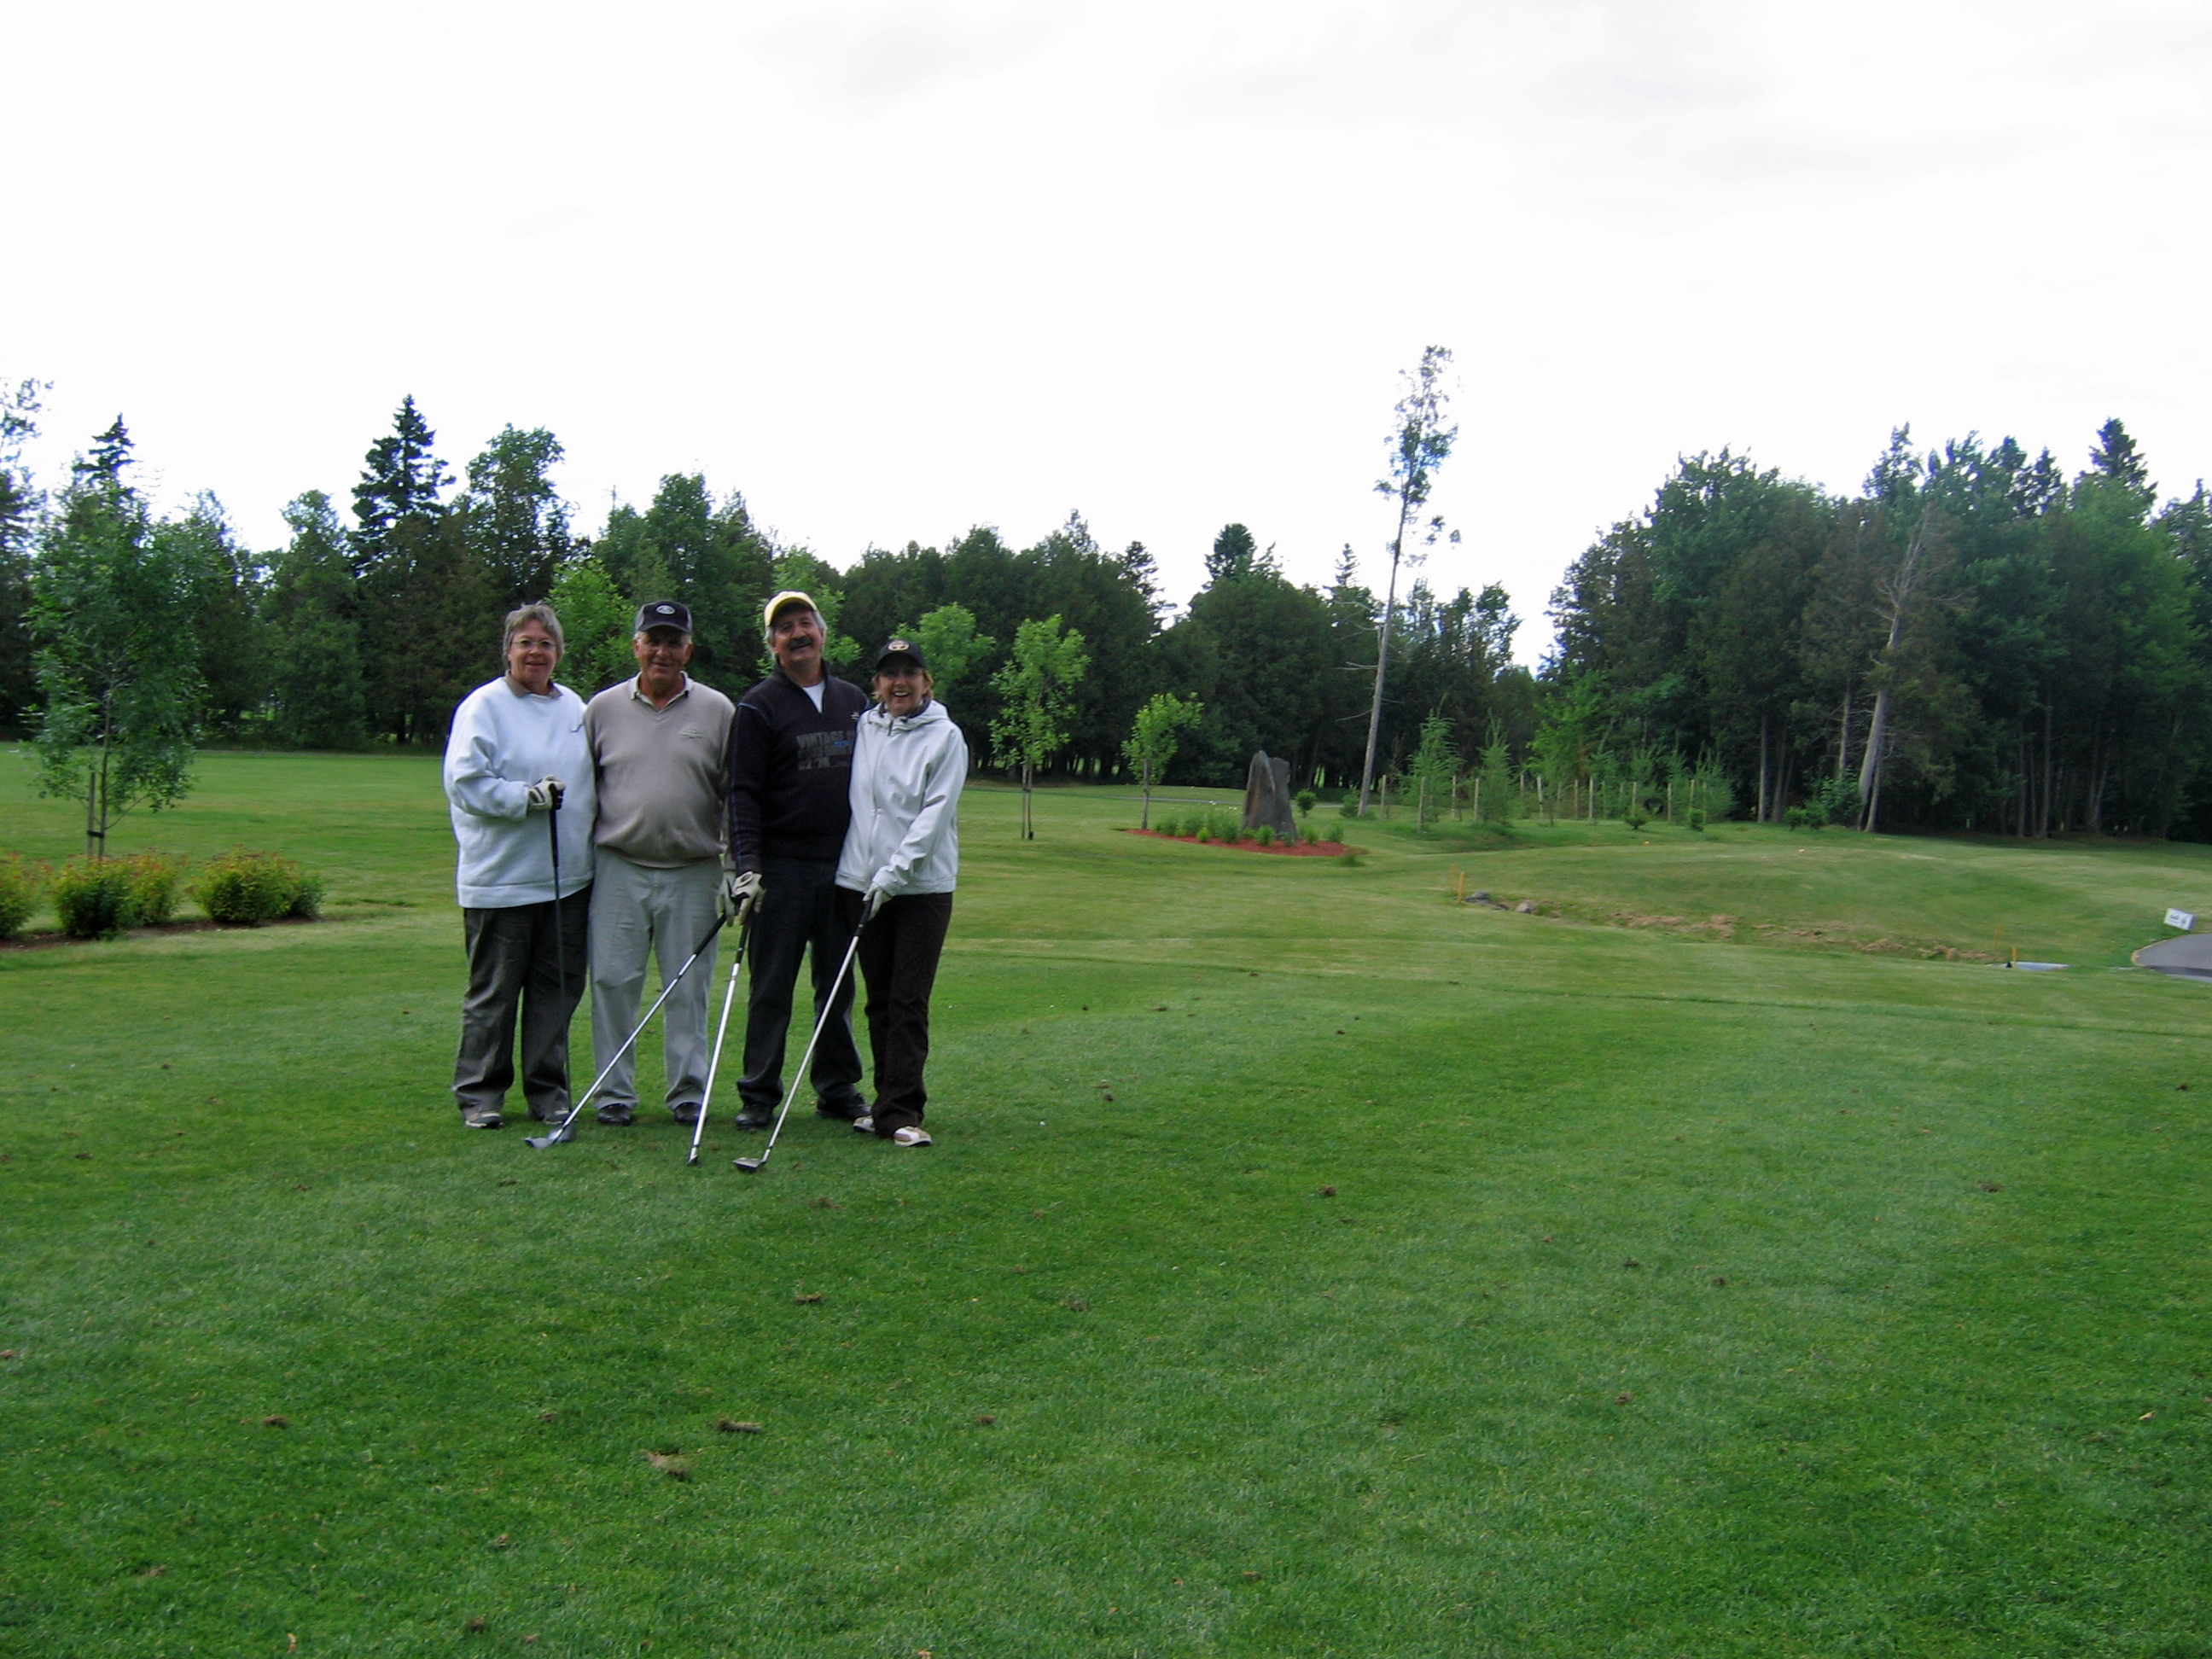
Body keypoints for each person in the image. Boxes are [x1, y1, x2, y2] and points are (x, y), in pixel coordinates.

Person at [582, 600, 736, 1126]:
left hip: (694, 869)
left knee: (689, 987)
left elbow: (734, 796)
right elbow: (586, 790)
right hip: (619, 866)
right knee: (612, 982)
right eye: (654, 640)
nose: (663, 652)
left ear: (688, 651)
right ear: (636, 646)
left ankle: (688, 1092)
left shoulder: (718, 710)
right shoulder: (602, 709)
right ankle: (613, 1094)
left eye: (674, 642)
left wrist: (734, 867)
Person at [442, 602, 596, 1130]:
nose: (536, 652)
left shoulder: (574, 707)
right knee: (495, 994)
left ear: (558, 653)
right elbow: (465, 782)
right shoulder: (483, 707)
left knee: (556, 993)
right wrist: (523, 797)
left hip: (568, 880)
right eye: (525, 642)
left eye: (546, 644)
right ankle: (480, 1094)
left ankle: (548, 1092)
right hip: (502, 880)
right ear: (508, 650)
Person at [724, 590, 871, 1129]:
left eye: (805, 623)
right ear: (773, 645)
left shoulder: (854, 700)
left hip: (843, 866)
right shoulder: (757, 706)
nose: (797, 634)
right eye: (784, 628)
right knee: (771, 988)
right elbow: (742, 792)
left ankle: (837, 1087)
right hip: (780, 868)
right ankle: (759, 1093)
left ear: (822, 633)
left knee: (836, 985)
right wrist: (748, 866)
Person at [836, 637, 967, 1147]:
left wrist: (892, 876)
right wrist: (866, 877)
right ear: (877, 684)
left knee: (908, 1000)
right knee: (879, 1001)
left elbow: (933, 817)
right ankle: (884, 1103)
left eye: (910, 673)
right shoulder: (866, 728)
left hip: (920, 888)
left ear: (926, 682)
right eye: (890, 674)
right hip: (864, 884)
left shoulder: (946, 737)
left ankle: (903, 1110)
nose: (899, 683)